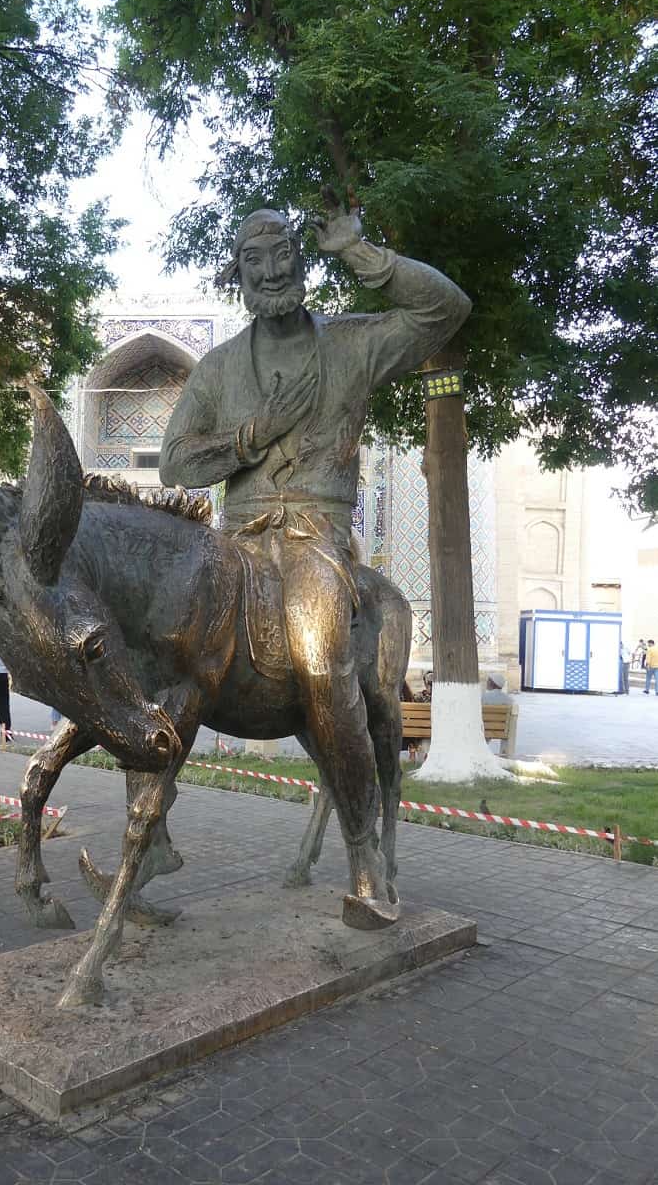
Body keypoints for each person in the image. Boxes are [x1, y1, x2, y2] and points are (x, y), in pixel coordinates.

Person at [160, 200, 469, 914]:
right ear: (237, 273)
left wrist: (362, 253)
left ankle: (365, 861)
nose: (270, 272)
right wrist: (249, 436)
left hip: (311, 538)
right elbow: (177, 462)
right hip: (234, 543)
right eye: (254, 260)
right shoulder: (218, 369)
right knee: (157, 652)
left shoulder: (352, 344)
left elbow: (446, 310)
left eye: (282, 255)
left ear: (301, 259)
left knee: (322, 669)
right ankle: (148, 838)